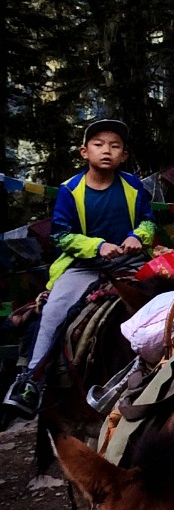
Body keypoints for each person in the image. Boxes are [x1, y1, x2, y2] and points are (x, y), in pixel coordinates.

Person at [3, 117, 155, 419]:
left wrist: (137, 236)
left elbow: (148, 221)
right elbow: (61, 234)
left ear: (123, 155)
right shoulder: (70, 190)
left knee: (173, 291)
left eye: (115, 146)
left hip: (132, 261)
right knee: (54, 311)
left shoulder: (133, 186)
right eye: (99, 145)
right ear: (84, 152)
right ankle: (32, 381)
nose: (107, 151)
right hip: (84, 265)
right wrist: (97, 246)